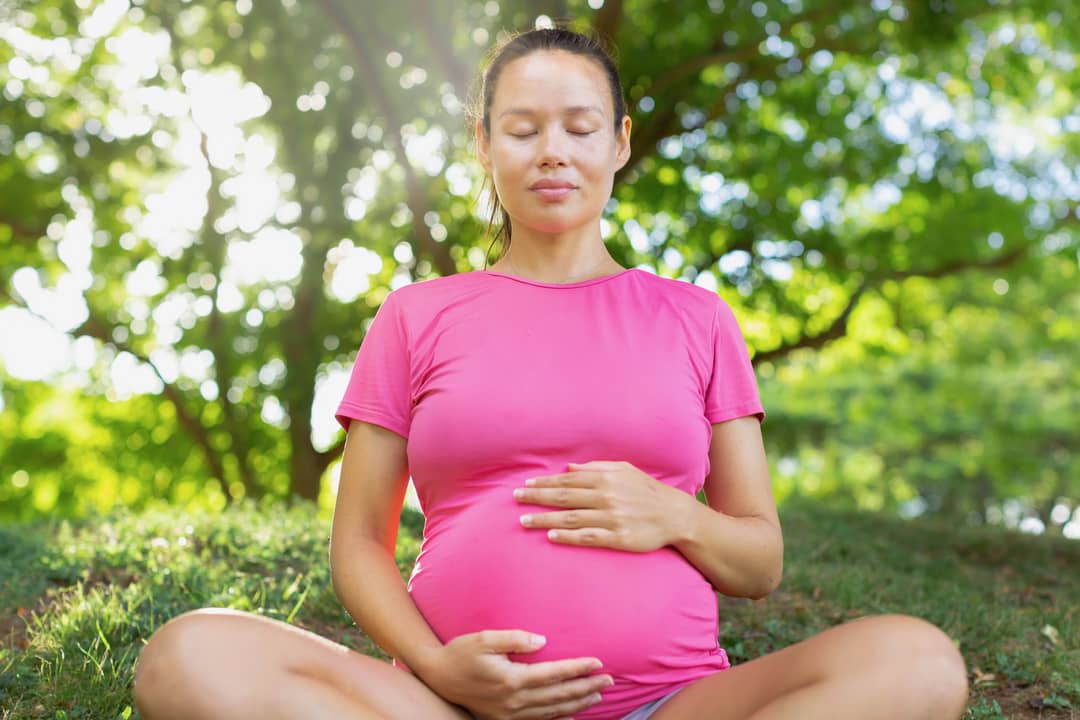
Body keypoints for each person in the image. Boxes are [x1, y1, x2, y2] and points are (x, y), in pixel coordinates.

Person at [132, 26, 970, 720]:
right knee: (187, 657)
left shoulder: (697, 319)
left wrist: (673, 511)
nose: (552, 153)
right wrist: (436, 665)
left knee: (918, 663)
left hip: (673, 704)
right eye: (523, 129)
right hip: (443, 705)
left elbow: (759, 562)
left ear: (619, 141)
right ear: (485, 143)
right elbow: (358, 543)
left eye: (579, 126)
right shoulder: (416, 314)